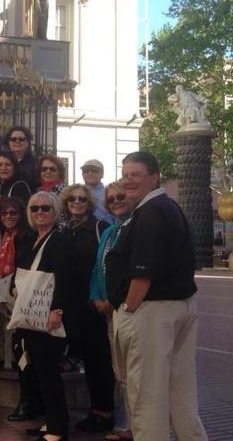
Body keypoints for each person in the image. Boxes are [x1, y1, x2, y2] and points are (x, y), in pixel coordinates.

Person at [105, 152, 207, 441]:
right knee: (180, 392)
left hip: (152, 312)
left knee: (147, 395)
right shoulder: (168, 207)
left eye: (135, 174)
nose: (128, 180)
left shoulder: (149, 213)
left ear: (154, 176)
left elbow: (143, 272)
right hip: (179, 306)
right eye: (125, 174)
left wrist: (128, 308)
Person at [59, 184, 115, 432]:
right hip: (70, 306)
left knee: (98, 359)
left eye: (82, 199)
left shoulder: (99, 228)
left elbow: (108, 265)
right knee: (82, 356)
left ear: (89, 203)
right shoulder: (64, 230)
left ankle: (103, 412)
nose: (77, 202)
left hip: (92, 304)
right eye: (73, 198)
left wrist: (103, 297)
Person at [20, 191, 71, 441]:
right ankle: (53, 421)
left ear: (55, 211)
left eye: (45, 208)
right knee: (39, 369)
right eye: (34, 208)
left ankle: (57, 430)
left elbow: (64, 277)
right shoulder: (34, 239)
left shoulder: (58, 240)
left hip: (49, 313)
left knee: (48, 370)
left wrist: (57, 309)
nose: (39, 212)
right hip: (33, 313)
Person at [89, 181, 135, 441]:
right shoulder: (108, 232)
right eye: (111, 199)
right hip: (108, 311)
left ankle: (137, 425)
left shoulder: (135, 228)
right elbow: (98, 269)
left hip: (128, 308)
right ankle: (130, 424)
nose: (116, 201)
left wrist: (114, 300)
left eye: (120, 197)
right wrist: (96, 297)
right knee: (121, 371)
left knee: (133, 370)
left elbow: (135, 273)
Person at [0, 198, 43, 423]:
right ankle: (30, 399)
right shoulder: (5, 236)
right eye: (4, 213)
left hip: (25, 298)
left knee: (26, 350)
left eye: (13, 212)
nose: (8, 216)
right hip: (9, 296)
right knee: (19, 350)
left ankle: (29, 402)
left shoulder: (27, 237)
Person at [3, 125, 39, 193]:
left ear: (28, 142)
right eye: (13, 139)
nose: (17, 141)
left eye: (21, 139)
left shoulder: (36, 163)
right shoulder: (1, 162)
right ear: (8, 143)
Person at [82, 159, 115, 224]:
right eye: (86, 170)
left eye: (94, 170)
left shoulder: (110, 193)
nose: (90, 173)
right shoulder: (75, 194)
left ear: (102, 174)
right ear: (82, 174)